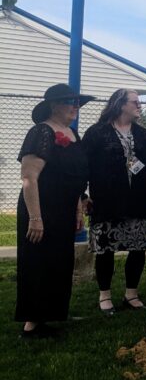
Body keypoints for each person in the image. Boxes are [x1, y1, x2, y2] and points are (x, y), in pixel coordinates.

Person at [16, 84, 92, 337]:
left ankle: (51, 313)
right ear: (54, 106)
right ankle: (31, 323)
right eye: (70, 102)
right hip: (41, 207)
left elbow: (74, 178)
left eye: (77, 102)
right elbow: (29, 178)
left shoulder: (73, 134)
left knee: (59, 262)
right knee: (38, 261)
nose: (75, 106)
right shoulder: (41, 132)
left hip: (65, 209)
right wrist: (35, 218)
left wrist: (78, 210)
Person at [83, 89, 146, 314]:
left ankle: (131, 294)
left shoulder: (143, 134)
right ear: (120, 104)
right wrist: (83, 195)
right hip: (106, 202)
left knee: (138, 249)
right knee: (105, 250)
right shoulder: (97, 132)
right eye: (135, 102)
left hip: (138, 201)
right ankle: (105, 295)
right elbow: (83, 165)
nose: (139, 106)